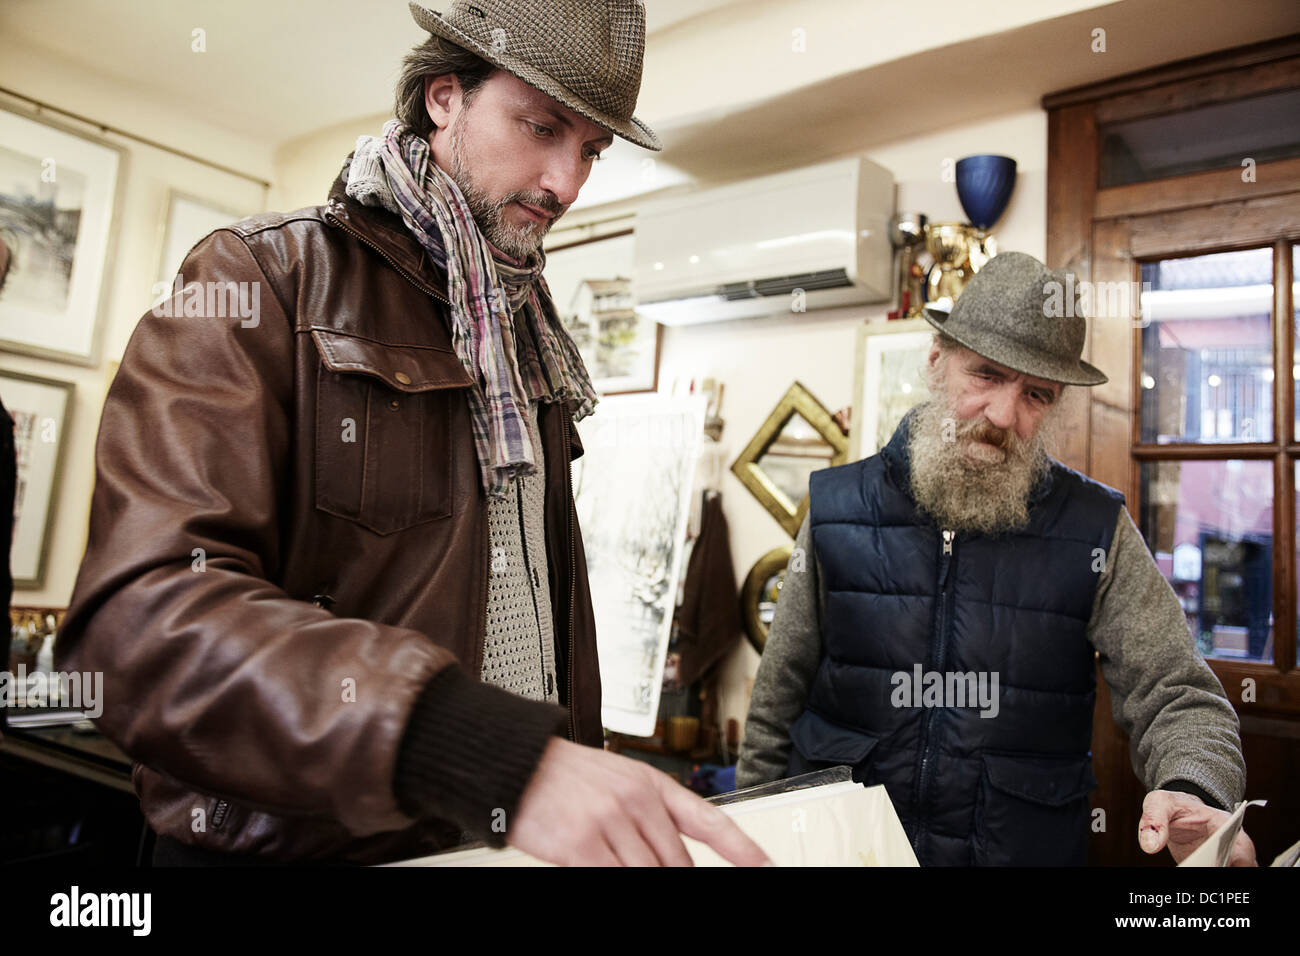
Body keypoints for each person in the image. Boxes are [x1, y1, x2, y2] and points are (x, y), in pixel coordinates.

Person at [57, 0, 768, 868]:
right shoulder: (260, 279)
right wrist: (481, 752)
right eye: (541, 126)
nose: (567, 183)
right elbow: (139, 625)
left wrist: (569, 759)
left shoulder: (528, 337)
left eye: (589, 148)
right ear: (442, 97)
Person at [736, 251, 1255, 867]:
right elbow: (775, 709)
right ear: (937, 361)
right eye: (985, 375)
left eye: (1036, 394)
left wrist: (1193, 789)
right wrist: (750, 839)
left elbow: (1178, 694)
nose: (1005, 416)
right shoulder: (835, 507)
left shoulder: (1096, 530)